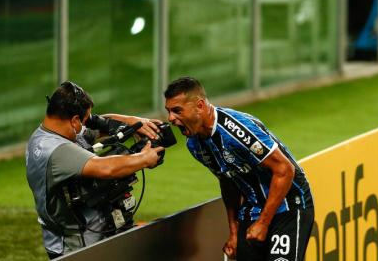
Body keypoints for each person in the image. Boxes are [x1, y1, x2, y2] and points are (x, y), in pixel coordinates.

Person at [164, 77, 314, 261]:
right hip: (253, 210)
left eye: (177, 111)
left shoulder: (235, 130)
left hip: (289, 205)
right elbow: (228, 182)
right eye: (169, 111)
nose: (171, 118)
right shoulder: (195, 145)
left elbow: (285, 170)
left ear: (200, 106)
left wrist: (263, 223)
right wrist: (234, 233)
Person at [26, 81, 164, 259]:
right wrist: (144, 158)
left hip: (88, 238)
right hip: (75, 249)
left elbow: (100, 126)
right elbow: (105, 168)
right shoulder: (55, 150)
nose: (86, 125)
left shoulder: (48, 135)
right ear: (74, 120)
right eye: (84, 120)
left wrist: (131, 121)